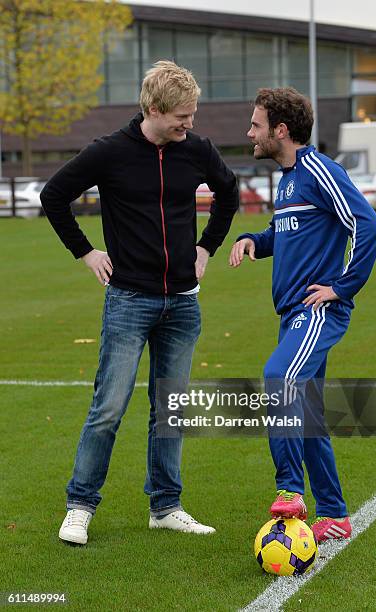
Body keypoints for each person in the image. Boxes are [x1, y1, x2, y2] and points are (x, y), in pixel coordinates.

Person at [40, 60, 239, 544]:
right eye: (182, 117)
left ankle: (166, 506)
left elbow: (229, 194)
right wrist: (86, 252)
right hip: (129, 299)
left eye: (192, 116)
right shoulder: (108, 152)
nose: (189, 125)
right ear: (154, 108)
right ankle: (80, 505)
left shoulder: (196, 151)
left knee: (169, 408)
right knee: (109, 406)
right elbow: (54, 194)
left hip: (183, 303)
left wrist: (206, 247)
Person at [229, 87, 376, 542]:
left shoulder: (318, 169)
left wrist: (341, 287)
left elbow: (368, 225)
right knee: (310, 415)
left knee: (279, 377)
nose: (249, 132)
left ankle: (290, 489)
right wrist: (255, 240)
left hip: (315, 312)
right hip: (292, 314)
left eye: (256, 125)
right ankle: (334, 513)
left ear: (281, 130)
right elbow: (285, 230)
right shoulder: (288, 179)